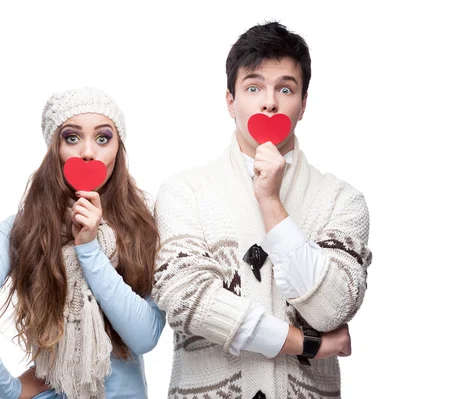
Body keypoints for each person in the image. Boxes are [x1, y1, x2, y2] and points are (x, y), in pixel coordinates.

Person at [153, 21, 372, 399]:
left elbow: (332, 308)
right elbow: (187, 300)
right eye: (253, 87)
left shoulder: (342, 200)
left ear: (303, 104)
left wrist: (271, 202)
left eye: (285, 89)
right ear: (230, 101)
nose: (269, 101)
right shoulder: (183, 192)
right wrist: (307, 343)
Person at [0, 87, 165, 399]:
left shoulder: (143, 226)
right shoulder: (22, 229)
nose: (87, 151)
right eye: (71, 137)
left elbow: (144, 337)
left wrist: (89, 249)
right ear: (54, 149)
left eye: (103, 138)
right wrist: (13, 391)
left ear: (118, 151)